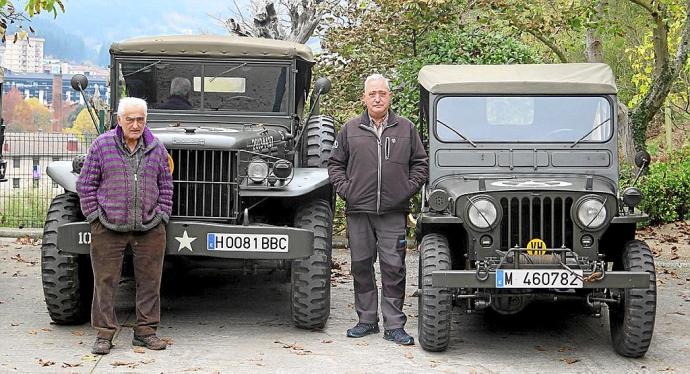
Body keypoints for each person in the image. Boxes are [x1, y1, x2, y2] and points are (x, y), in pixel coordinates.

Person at [327, 74, 429, 345]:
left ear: (389, 97)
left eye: (382, 93)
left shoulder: (406, 128)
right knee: (361, 266)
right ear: (364, 98)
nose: (377, 98)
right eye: (372, 93)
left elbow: (421, 164)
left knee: (394, 267)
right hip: (358, 211)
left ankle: (394, 326)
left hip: (393, 214)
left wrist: (405, 190)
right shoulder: (349, 129)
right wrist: (347, 191)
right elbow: (335, 165)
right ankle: (367, 321)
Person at [77, 97, 173, 355]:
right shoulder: (102, 145)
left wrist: (162, 215)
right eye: (129, 119)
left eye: (140, 119)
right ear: (119, 120)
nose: (135, 124)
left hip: (150, 227)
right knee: (105, 282)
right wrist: (95, 218)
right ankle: (104, 334)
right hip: (108, 227)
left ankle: (145, 332)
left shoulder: (157, 148)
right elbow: (85, 185)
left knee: (150, 282)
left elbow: (166, 186)